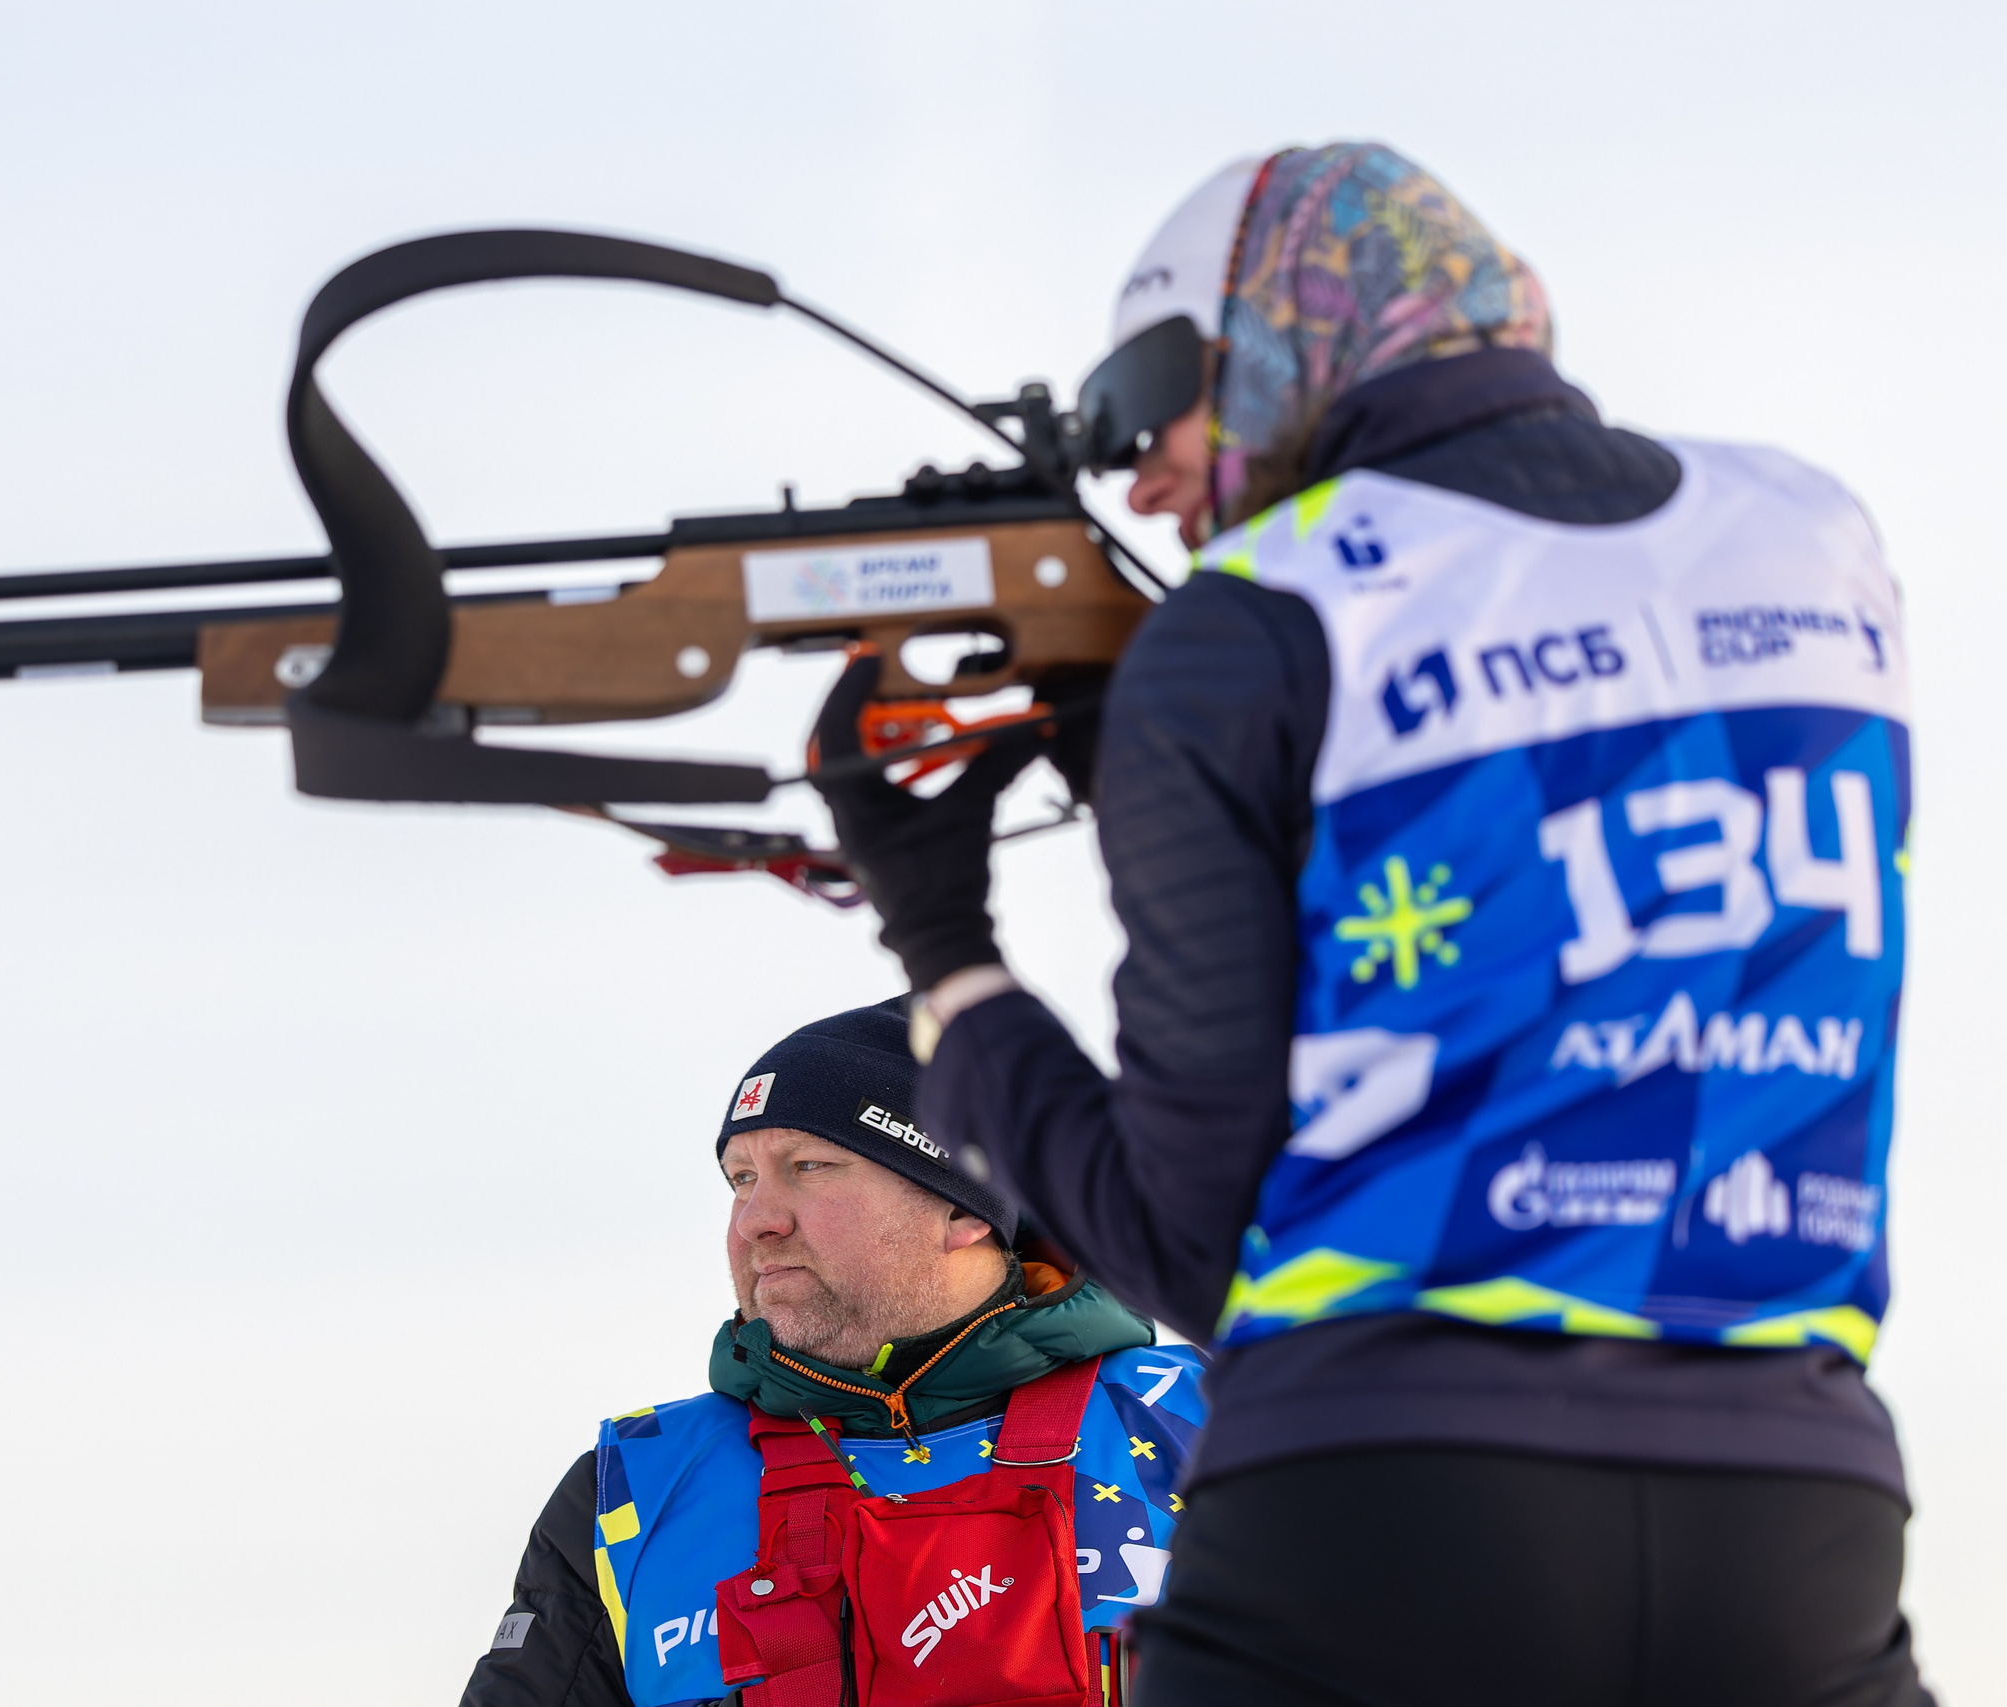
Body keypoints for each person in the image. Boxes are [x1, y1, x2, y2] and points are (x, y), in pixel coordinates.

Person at [814, 143, 1930, 1705]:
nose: (1137, 475)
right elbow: (1548, 870)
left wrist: (940, 937)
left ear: (1286, 337)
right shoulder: (1814, 540)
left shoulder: (1258, 616)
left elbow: (1184, 1244)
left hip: (1377, 1499)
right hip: (1797, 1509)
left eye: (1152, 396)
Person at [460, 998, 1205, 1707]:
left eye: (808, 1166)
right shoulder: (634, 1487)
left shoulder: (1207, 1424)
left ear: (961, 1205)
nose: (756, 1220)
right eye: (741, 1178)